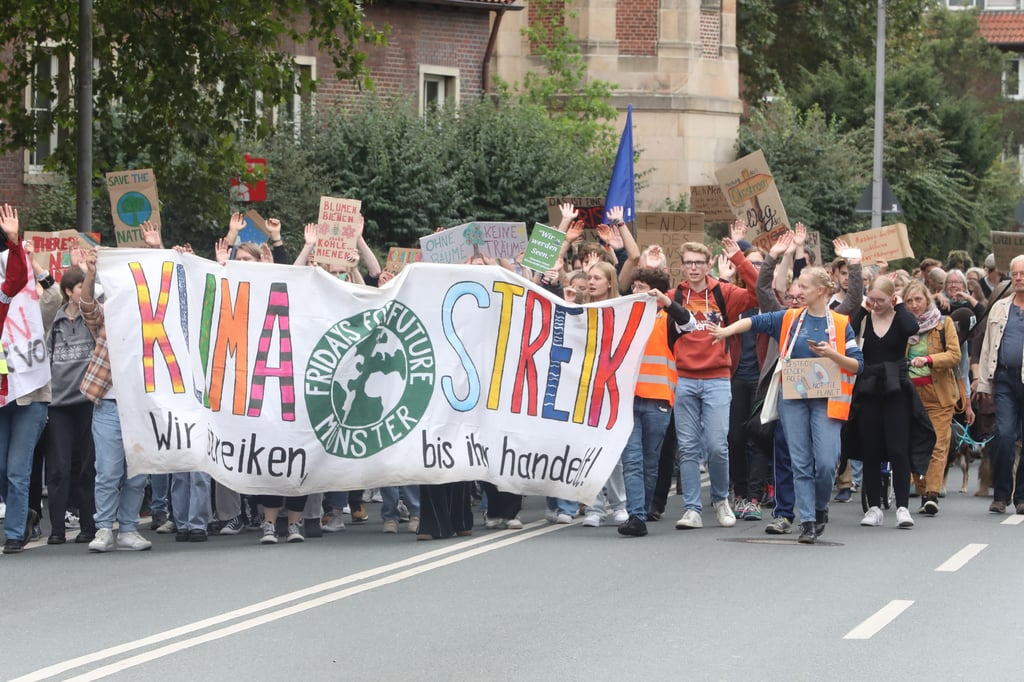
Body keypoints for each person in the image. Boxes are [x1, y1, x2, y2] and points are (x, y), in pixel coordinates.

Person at [709, 266, 864, 544]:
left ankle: (819, 508)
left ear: (821, 291)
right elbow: (754, 323)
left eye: (804, 287)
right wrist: (726, 330)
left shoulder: (840, 323)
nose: (798, 292)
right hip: (793, 399)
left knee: (827, 463)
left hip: (827, 401)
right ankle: (807, 521)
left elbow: (857, 365)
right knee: (800, 462)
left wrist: (832, 354)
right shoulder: (790, 318)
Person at [668, 237, 759, 530]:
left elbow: (759, 294)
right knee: (688, 448)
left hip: (718, 379)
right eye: (688, 262)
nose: (694, 267)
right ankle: (692, 508)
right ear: (681, 266)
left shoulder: (724, 293)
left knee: (718, 446)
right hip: (684, 379)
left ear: (708, 265)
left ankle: (721, 499)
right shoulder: (675, 296)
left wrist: (740, 260)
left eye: (699, 262)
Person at [80, 247, 152, 552]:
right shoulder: (106, 314)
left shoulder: (155, 323)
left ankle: (129, 528)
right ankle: (104, 529)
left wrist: (152, 249)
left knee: (138, 473)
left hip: (143, 409)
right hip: (109, 405)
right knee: (108, 471)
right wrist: (91, 273)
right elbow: (86, 306)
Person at [617, 268, 693, 537]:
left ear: (657, 293)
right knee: (633, 460)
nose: (635, 291)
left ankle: (643, 510)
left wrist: (666, 301)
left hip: (658, 401)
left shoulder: (667, 320)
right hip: (626, 401)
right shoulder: (623, 317)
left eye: (642, 287)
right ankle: (636, 516)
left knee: (650, 461)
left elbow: (689, 322)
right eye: (634, 286)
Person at [845, 277, 920, 528]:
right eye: (872, 299)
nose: (876, 304)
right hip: (868, 388)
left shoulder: (899, 317)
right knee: (871, 449)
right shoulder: (866, 317)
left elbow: (912, 328)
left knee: (898, 448)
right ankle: (874, 507)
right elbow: (848, 331)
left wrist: (898, 307)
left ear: (892, 299)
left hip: (894, 387)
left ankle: (902, 507)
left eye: (881, 300)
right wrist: (864, 309)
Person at [43, 266, 99, 545]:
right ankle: (57, 529)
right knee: (59, 467)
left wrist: (90, 271)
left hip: (87, 402)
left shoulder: (92, 319)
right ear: (68, 291)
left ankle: (89, 525)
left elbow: (97, 294)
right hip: (59, 405)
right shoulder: (55, 322)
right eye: (79, 287)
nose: (83, 291)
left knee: (87, 466)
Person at [902, 280, 961, 515]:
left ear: (927, 299)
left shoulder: (943, 324)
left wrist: (929, 360)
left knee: (937, 444)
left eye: (918, 299)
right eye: (909, 301)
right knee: (914, 443)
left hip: (938, 393)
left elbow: (955, 355)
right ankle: (921, 487)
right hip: (910, 393)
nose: (915, 305)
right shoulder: (903, 326)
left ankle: (931, 494)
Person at [974, 255, 1024, 514]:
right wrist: (982, 383)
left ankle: (1022, 497)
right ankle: (1001, 495)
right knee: (1004, 436)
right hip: (1004, 378)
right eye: (1015, 274)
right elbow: (986, 348)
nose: (1018, 278)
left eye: (1023, 274)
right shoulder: (1000, 307)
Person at [0, 205, 35, 554]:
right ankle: (26, 511)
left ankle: (14, 531)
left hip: (24, 393)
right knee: (1, 468)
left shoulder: (6, 294)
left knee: (16, 469)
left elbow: (17, 279)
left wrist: (14, 241)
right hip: (0, 396)